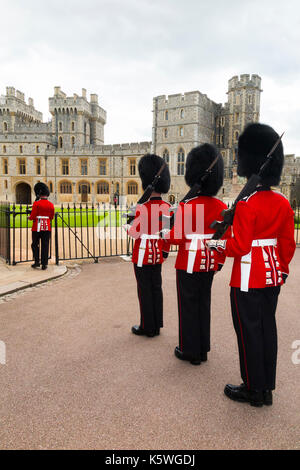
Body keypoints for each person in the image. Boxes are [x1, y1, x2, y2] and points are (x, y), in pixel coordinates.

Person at [207, 123, 296, 406]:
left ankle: (252, 389)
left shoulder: (247, 203)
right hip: (272, 278)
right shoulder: (283, 202)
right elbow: (287, 245)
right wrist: (280, 269)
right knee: (267, 331)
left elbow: (241, 246)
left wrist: (217, 244)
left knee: (248, 334)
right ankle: (266, 388)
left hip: (247, 279)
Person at [165, 144, 229, 365]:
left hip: (187, 262)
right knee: (203, 303)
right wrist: (219, 261)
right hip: (209, 261)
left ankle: (189, 350)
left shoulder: (188, 205)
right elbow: (223, 237)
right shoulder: (221, 205)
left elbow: (176, 237)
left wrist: (165, 232)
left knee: (188, 306)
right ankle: (202, 348)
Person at [125, 154, 171, 337]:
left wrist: (126, 226)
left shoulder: (140, 208)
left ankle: (147, 326)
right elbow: (167, 236)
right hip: (158, 253)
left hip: (142, 254)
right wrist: (165, 253)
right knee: (156, 288)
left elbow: (134, 233)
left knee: (144, 290)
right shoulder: (167, 207)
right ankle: (157, 324)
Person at [29, 183, 55, 270]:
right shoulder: (51, 204)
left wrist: (29, 217)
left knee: (35, 244)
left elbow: (32, 216)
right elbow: (51, 217)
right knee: (45, 245)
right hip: (47, 227)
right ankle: (44, 264)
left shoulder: (36, 204)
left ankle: (37, 262)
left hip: (37, 227)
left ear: (39, 194)